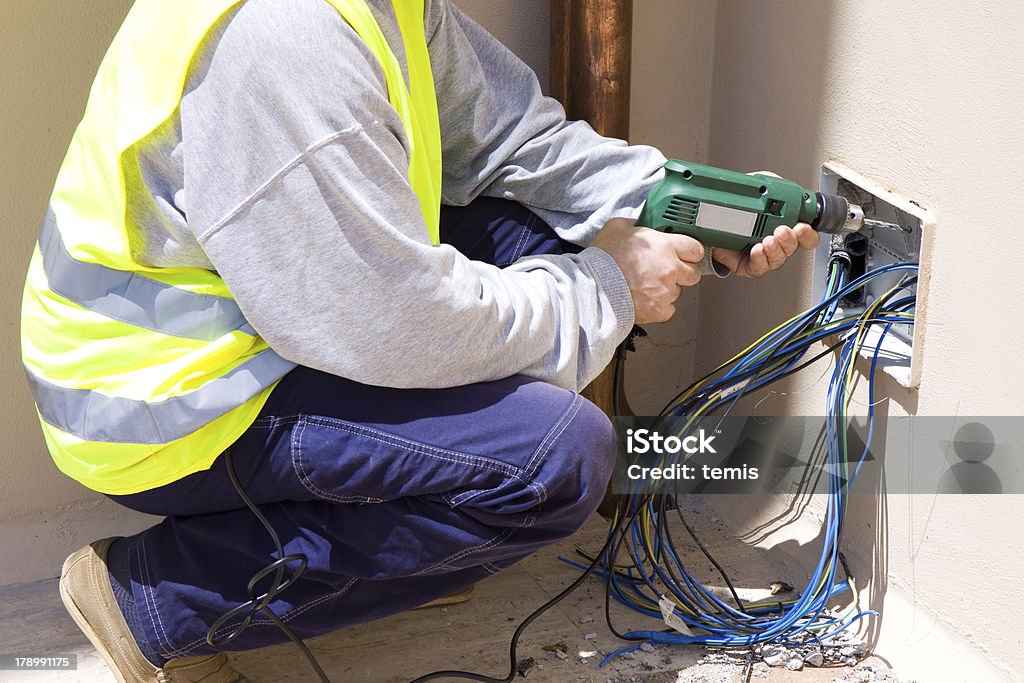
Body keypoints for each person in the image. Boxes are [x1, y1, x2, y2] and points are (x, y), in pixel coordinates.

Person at [23, 0, 818, 681]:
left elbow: (513, 143)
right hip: (164, 399)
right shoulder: (284, 39)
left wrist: (677, 204)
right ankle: (153, 600)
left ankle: (398, 531)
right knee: (554, 462)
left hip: (283, 312)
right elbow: (392, 322)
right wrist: (610, 287)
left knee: (540, 228)